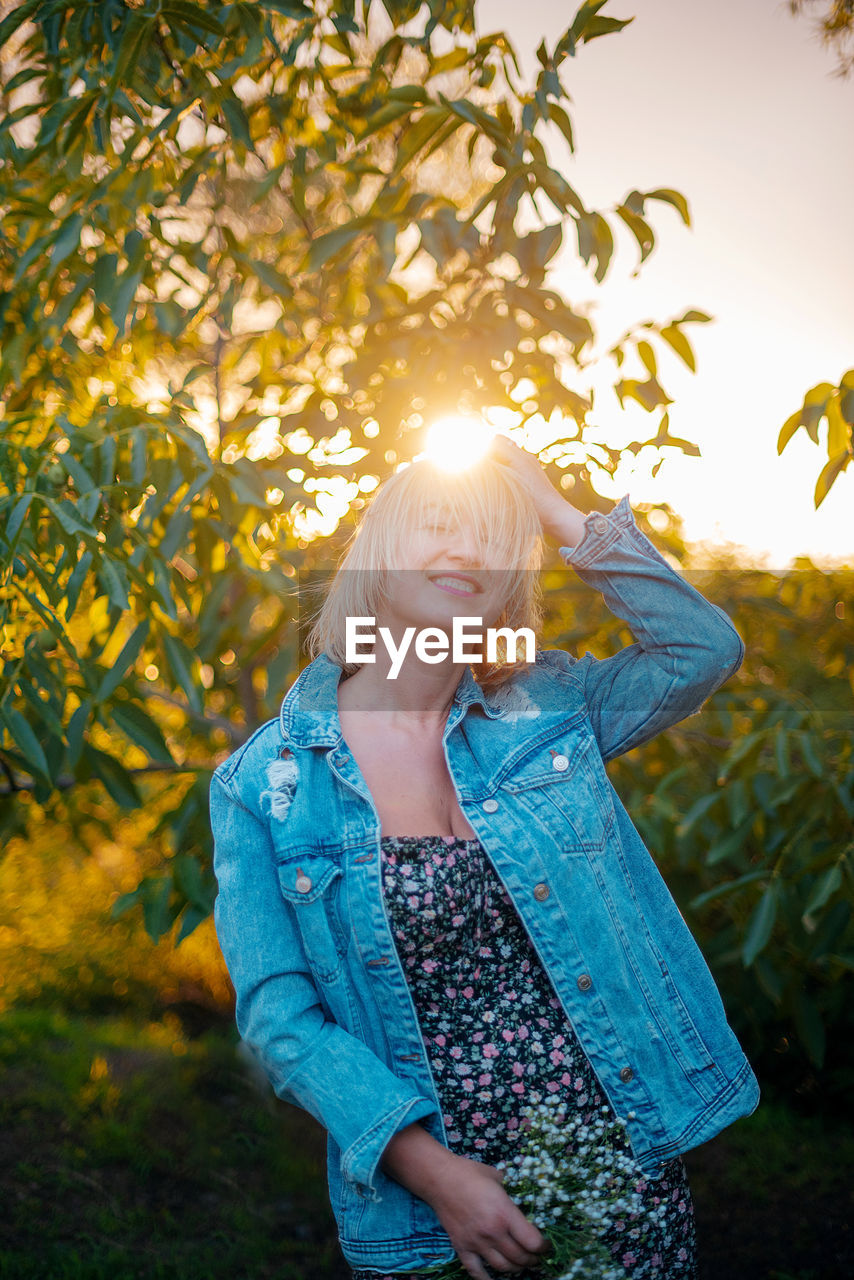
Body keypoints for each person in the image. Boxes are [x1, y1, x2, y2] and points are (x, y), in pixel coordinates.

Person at [209, 434, 759, 1280]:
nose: (467, 548)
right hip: (436, 1214)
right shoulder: (265, 783)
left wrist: (553, 510)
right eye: (436, 524)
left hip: (624, 1168)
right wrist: (441, 1179)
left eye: (495, 540)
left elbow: (702, 650)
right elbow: (282, 1022)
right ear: (379, 556)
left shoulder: (552, 706)